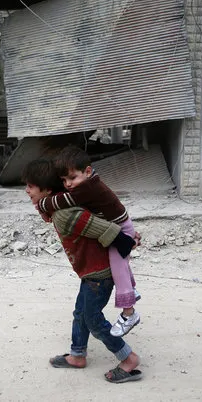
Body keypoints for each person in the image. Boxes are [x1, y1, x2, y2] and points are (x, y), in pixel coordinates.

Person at [23, 158, 143, 383]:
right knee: (80, 313)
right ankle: (77, 354)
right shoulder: (58, 207)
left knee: (92, 319)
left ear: (47, 189)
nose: (26, 190)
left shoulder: (65, 213)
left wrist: (129, 240)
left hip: (100, 273)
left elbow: (107, 229)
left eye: (30, 186)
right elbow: (47, 211)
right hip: (90, 270)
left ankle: (128, 359)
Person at [36, 146, 140, 337]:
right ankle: (131, 291)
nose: (68, 184)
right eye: (64, 180)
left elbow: (60, 201)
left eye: (72, 177)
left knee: (118, 266)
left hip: (120, 227)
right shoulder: (86, 183)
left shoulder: (87, 187)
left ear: (88, 171)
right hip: (117, 223)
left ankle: (129, 312)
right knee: (121, 264)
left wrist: (41, 204)